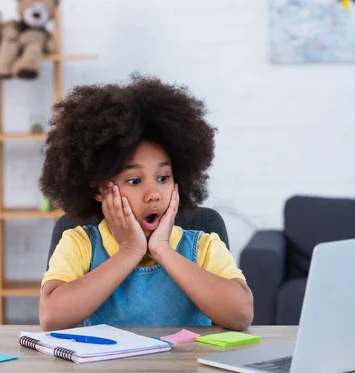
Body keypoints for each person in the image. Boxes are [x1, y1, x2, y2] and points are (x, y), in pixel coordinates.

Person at [38, 73, 253, 331]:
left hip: (186, 371)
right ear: (99, 189)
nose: (154, 194)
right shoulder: (80, 244)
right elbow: (51, 317)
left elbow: (240, 315)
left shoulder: (204, 246)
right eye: (135, 181)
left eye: (163, 177)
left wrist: (163, 249)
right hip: (106, 371)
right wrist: (129, 251)